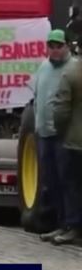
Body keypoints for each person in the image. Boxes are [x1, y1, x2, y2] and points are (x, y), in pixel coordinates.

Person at [34, 29, 74, 243]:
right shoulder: (43, 67)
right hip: (44, 135)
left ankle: (71, 225)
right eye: (52, 45)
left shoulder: (73, 68)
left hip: (63, 135)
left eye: (59, 45)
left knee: (66, 181)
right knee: (51, 181)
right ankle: (59, 224)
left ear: (67, 46)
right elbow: (37, 96)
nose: (55, 50)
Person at [51, 34, 82, 245]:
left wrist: (61, 132)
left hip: (75, 141)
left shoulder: (72, 73)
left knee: (72, 185)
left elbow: (61, 111)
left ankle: (73, 226)